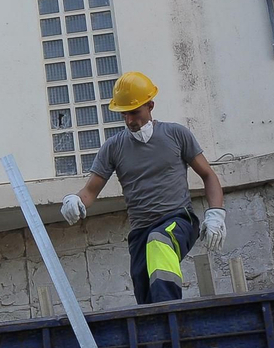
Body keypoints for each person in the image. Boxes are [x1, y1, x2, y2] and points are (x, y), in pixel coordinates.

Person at [61, 71, 227, 304]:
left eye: (135, 112)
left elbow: (208, 175)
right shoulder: (113, 147)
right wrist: (74, 200)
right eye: (125, 114)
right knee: (146, 295)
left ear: (150, 105)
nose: (130, 120)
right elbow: (90, 191)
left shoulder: (176, 134)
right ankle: (159, 336)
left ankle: (170, 314)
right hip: (141, 233)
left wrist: (216, 214)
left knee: (159, 241)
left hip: (179, 220)